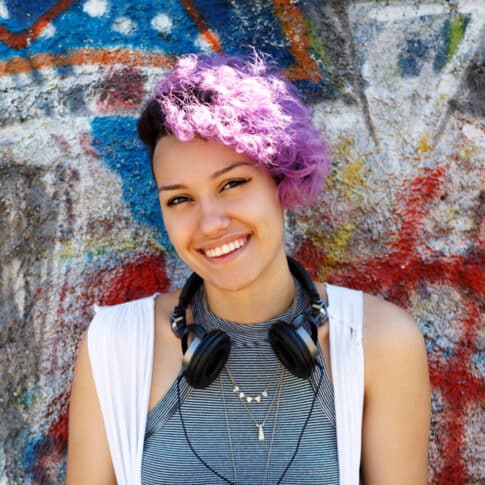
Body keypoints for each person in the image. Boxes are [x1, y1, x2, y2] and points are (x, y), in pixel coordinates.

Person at [66, 52, 430, 485]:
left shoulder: (380, 343)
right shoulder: (113, 347)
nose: (210, 224)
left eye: (233, 184)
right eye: (180, 199)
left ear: (282, 178)